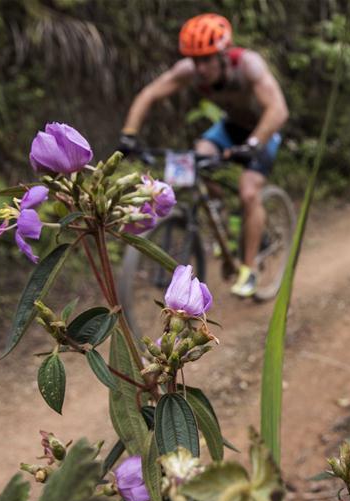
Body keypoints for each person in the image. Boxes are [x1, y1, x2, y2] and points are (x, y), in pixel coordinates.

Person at [118, 13, 289, 298]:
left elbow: (279, 110)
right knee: (194, 160)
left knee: (248, 192)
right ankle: (219, 215)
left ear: (223, 55)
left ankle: (249, 269)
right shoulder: (188, 71)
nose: (200, 68)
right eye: (195, 60)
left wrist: (254, 142)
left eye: (207, 59)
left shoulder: (248, 66)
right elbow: (149, 94)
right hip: (228, 128)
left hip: (263, 131)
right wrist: (129, 135)